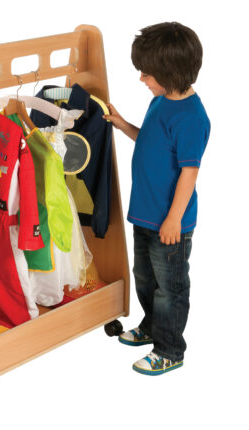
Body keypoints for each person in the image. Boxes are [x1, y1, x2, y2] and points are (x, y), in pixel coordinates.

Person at [103, 22, 210, 375]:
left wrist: (174, 218)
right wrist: (122, 124)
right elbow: (150, 142)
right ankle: (151, 326)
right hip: (145, 215)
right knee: (145, 279)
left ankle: (169, 349)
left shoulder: (191, 118)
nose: (142, 79)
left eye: (147, 73)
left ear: (170, 73)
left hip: (169, 223)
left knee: (170, 289)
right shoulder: (159, 102)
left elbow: (189, 172)